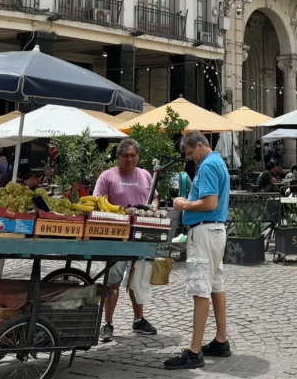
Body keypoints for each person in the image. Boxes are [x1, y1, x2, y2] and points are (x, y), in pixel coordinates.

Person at [166, 131, 231, 370]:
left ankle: (194, 352)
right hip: (214, 230)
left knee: (200, 288)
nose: (190, 158)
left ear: (201, 146)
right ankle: (221, 340)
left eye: (190, 153)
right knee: (215, 285)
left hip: (204, 231)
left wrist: (184, 204)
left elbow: (210, 202)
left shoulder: (208, 165)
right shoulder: (217, 162)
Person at [94, 138, 158, 340]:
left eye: (133, 155)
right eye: (125, 156)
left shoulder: (145, 175)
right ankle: (108, 323)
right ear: (118, 157)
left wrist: (154, 206)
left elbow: (154, 196)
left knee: (137, 280)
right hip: (116, 236)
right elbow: (97, 202)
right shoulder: (107, 177)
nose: (130, 159)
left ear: (138, 156)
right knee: (112, 281)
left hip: (141, 234)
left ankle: (139, 320)